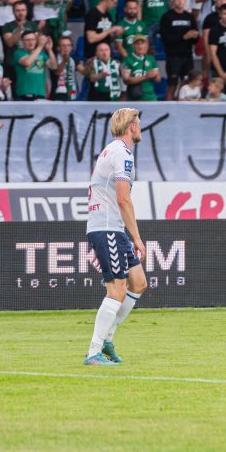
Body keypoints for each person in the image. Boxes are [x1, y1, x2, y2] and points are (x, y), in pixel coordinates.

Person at [83, 108, 147, 366]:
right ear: (131, 126)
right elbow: (123, 198)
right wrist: (137, 237)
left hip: (112, 227)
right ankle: (93, 352)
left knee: (138, 282)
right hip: (107, 227)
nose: (140, 126)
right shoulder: (122, 153)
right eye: (139, 122)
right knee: (117, 289)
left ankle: (108, 338)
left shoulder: (113, 150)